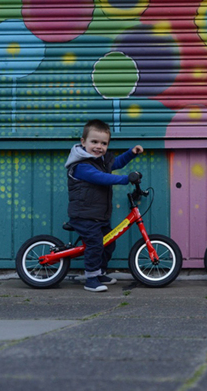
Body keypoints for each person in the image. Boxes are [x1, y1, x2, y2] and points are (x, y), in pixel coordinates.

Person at [65, 119, 144, 292]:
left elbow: (115, 164)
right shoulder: (81, 166)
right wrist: (125, 179)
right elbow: (102, 178)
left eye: (103, 143)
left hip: (99, 215)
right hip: (84, 215)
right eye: (94, 142)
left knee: (108, 243)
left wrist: (131, 153)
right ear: (83, 142)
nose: (99, 146)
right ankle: (91, 278)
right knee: (95, 244)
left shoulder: (100, 161)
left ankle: (99, 271)